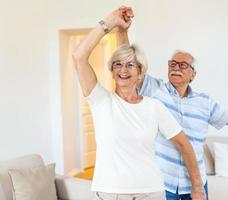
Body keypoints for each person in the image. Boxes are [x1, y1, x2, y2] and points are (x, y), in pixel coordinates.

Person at [112, 10, 228, 200]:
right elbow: (128, 61)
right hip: (162, 182)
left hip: (195, 184)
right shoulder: (154, 90)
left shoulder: (204, 102)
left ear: (193, 74)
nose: (176, 67)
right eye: (172, 64)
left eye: (183, 65)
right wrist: (122, 30)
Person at [72, 6, 205, 200]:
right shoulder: (100, 100)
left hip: (150, 192)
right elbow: (79, 56)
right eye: (118, 64)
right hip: (110, 193)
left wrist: (198, 186)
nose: (123, 70)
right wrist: (110, 22)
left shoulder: (154, 106)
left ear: (140, 71)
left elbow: (184, 144)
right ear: (111, 69)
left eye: (130, 64)